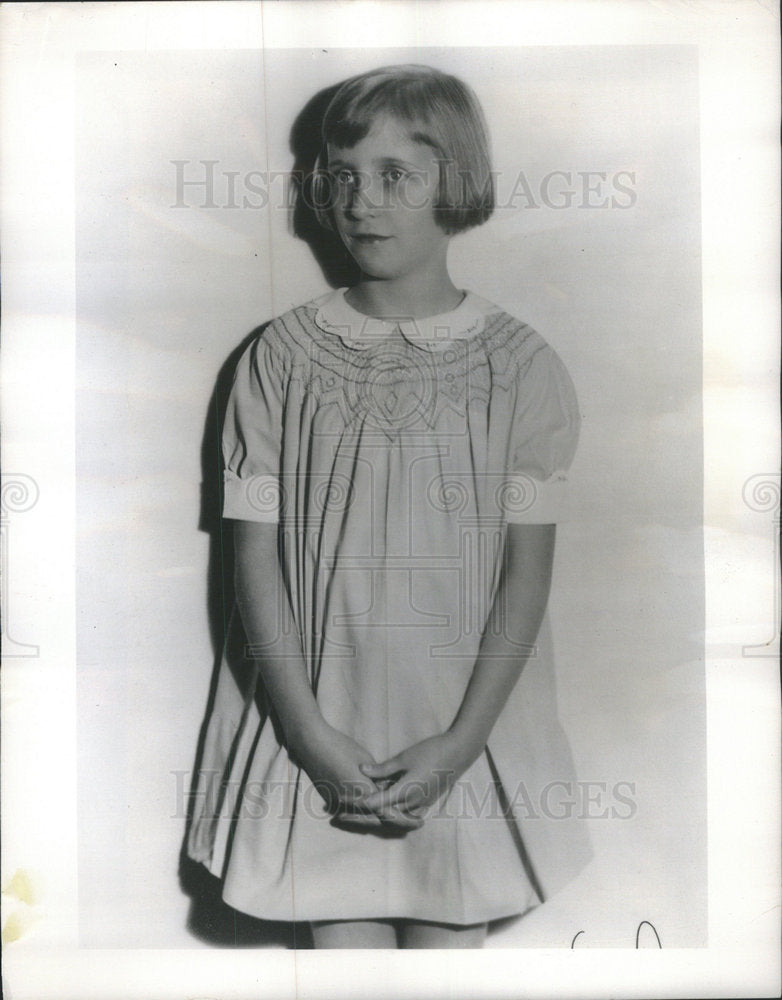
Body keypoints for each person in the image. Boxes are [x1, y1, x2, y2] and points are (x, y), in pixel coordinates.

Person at [187, 64, 591, 949]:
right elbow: (250, 561)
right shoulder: (278, 360)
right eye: (343, 176)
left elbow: (528, 576)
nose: (361, 201)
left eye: (395, 176)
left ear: (459, 184)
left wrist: (460, 743)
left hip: (462, 730)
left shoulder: (520, 367)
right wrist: (310, 735)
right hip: (320, 727)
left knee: (451, 955)